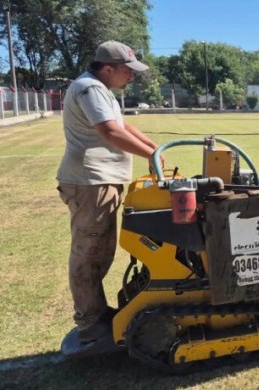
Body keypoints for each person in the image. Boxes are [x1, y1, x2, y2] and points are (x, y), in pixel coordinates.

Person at [56, 41, 163, 344]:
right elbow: (110, 131)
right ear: (107, 68)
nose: (131, 76)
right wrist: (150, 156)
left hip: (100, 182)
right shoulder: (89, 88)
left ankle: (99, 314)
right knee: (88, 253)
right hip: (91, 182)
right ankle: (90, 323)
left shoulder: (103, 91)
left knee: (101, 251)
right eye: (127, 71)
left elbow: (123, 125)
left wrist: (155, 149)